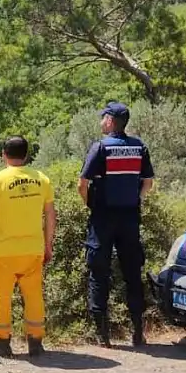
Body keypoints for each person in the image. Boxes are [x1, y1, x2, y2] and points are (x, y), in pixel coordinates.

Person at [78, 101, 155, 348]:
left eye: (103, 118)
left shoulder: (100, 148)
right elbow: (148, 182)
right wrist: (136, 201)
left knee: (99, 273)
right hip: (130, 218)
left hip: (103, 218)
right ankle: (137, 333)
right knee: (133, 273)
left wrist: (90, 205)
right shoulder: (139, 147)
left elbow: (82, 184)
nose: (101, 121)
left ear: (110, 121)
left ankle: (103, 336)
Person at [0, 136, 56, 358]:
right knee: (33, 295)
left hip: (3, 250)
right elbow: (51, 215)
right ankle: (35, 342)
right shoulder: (42, 179)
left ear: (4, 154)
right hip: (33, 249)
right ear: (27, 155)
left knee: (1, 295)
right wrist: (48, 245)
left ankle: (1, 343)